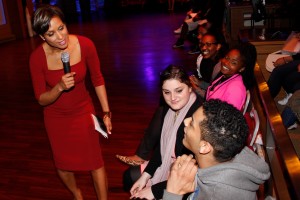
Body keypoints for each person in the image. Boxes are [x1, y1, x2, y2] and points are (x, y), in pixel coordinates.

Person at [29, 5, 112, 200]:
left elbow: (98, 79)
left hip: (84, 110)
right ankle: (77, 194)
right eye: (51, 33)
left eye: (61, 28)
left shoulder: (85, 45)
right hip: (56, 118)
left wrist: (106, 113)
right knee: (63, 165)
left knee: (95, 162)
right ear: (42, 37)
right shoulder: (36, 58)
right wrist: (58, 87)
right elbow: (41, 99)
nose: (60, 37)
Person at [121, 65, 203, 200]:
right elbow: (161, 148)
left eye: (179, 91)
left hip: (188, 179)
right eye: (167, 92)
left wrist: (153, 190)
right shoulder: (169, 109)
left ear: (190, 87)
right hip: (168, 165)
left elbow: (191, 175)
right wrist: (146, 176)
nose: (173, 98)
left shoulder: (198, 116)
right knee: (129, 178)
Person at [163, 99, 271, 200]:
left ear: (204, 147)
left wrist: (172, 194)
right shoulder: (229, 151)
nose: (186, 121)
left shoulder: (215, 195)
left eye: (192, 124)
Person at [206, 42, 257, 110]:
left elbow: (229, 119)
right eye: (226, 57)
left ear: (241, 69)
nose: (226, 63)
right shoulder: (225, 75)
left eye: (233, 63)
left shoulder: (236, 90)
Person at [189, 30, 227, 97]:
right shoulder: (205, 60)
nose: (203, 48)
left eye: (208, 44)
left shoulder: (221, 67)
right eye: (202, 44)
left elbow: (215, 96)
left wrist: (195, 88)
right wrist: (199, 82)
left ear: (218, 46)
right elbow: (212, 86)